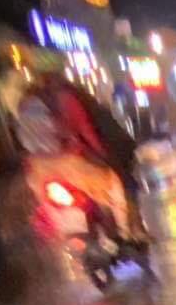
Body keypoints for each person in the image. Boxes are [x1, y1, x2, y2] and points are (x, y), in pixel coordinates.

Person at [14, 75, 132, 235]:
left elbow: (24, 139)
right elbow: (86, 130)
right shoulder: (67, 98)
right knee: (113, 185)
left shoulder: (25, 106)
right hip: (69, 165)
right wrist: (104, 155)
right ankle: (124, 231)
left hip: (38, 170)